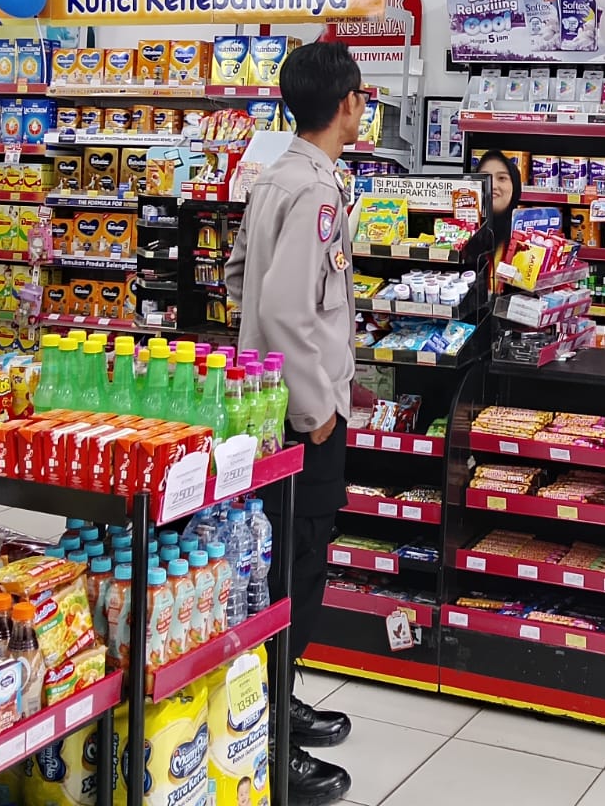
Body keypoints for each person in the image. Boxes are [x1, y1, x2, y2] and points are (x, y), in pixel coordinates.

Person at [225, 40, 367, 806]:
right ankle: (271, 738)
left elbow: (238, 276)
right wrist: (316, 408)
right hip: (299, 417)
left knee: (278, 562)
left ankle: (278, 696)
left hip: (264, 406)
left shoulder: (276, 174)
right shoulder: (315, 191)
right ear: (347, 103)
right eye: (361, 97)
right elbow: (286, 308)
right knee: (296, 572)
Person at [470, 150, 523, 288]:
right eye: (484, 176)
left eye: (502, 178)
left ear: (515, 186)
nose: (492, 185)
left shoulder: (527, 239)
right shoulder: (459, 234)